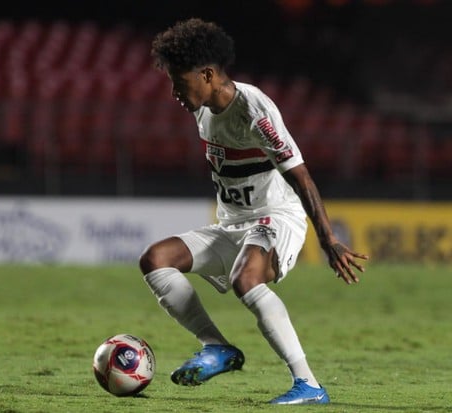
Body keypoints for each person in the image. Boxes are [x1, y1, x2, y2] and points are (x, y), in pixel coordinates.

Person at [140, 17, 368, 405]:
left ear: (208, 74)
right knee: (155, 259)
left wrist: (328, 238)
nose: (175, 92)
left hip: (276, 218)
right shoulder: (201, 110)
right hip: (232, 224)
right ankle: (217, 348)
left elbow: (302, 178)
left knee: (247, 279)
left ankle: (309, 385)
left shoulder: (254, 110)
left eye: (180, 82)